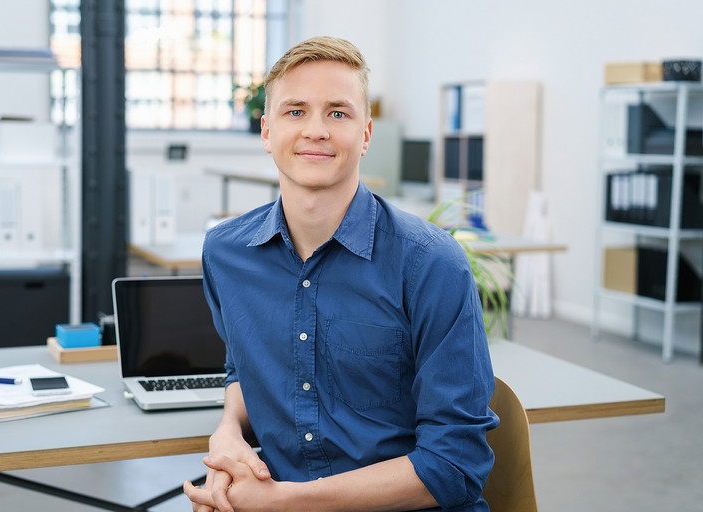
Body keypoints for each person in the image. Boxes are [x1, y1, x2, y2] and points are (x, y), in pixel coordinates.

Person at [184, 36, 498, 512]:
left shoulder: (432, 264)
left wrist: (279, 503)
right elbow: (241, 365)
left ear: (366, 134)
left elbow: (456, 465)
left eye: (338, 113)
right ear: (267, 132)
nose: (316, 130)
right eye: (295, 112)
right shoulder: (225, 253)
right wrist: (229, 430)